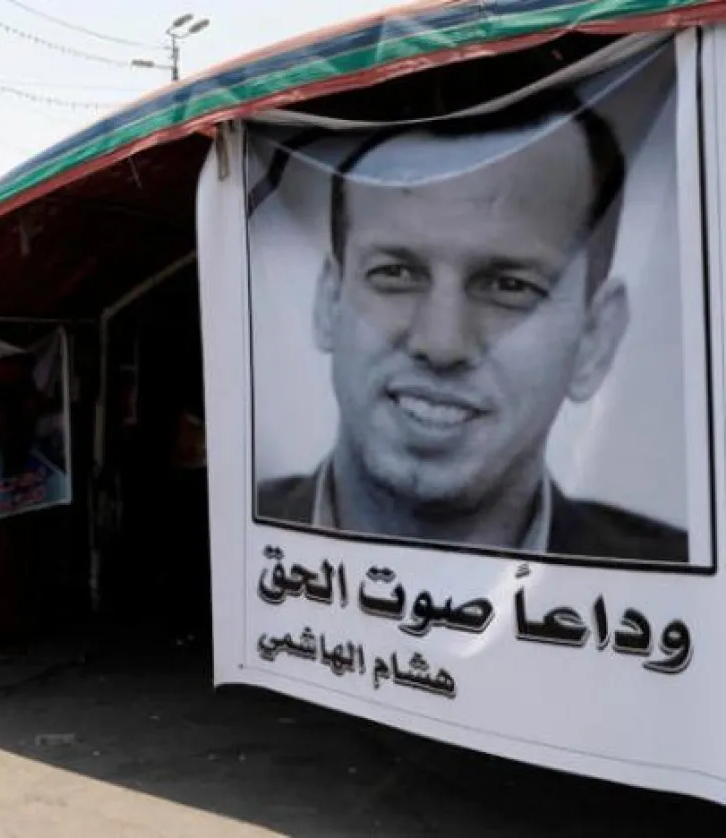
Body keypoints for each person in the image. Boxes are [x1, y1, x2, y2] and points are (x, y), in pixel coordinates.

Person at [255, 91, 687, 562]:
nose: (441, 344)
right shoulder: (203, 548)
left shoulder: (694, 596)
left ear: (595, 340)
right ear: (329, 301)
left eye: (508, 285)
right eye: (396, 274)